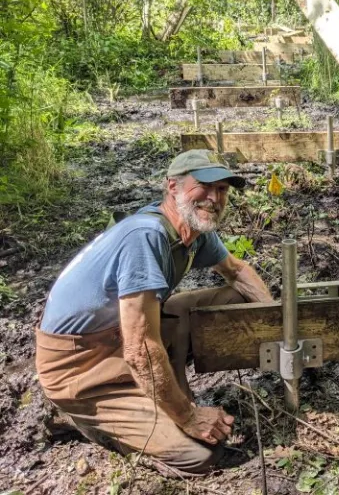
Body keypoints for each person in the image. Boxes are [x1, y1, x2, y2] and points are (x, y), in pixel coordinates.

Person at [36, 150, 273, 475]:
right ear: (172, 187)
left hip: (122, 338)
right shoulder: (146, 237)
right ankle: (87, 417)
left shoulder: (195, 232)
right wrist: (189, 416)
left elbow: (237, 271)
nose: (214, 198)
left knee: (237, 298)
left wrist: (279, 319)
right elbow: (141, 349)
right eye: (204, 186)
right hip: (79, 366)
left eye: (222, 190)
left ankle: (152, 398)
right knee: (198, 453)